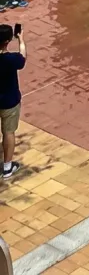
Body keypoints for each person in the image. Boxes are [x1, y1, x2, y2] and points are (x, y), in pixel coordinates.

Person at [0, 22, 25, 177]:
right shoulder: (11, 59)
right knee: (8, 132)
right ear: (8, 41)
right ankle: (8, 167)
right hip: (9, 101)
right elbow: (23, 58)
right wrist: (21, 39)